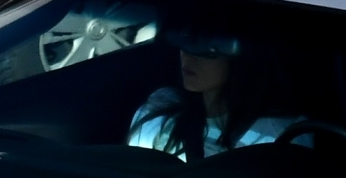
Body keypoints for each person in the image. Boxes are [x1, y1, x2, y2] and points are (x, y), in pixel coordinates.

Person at [126, 32, 299, 160]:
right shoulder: (160, 111)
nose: (188, 54)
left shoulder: (282, 133)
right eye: (184, 37)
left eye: (208, 46)